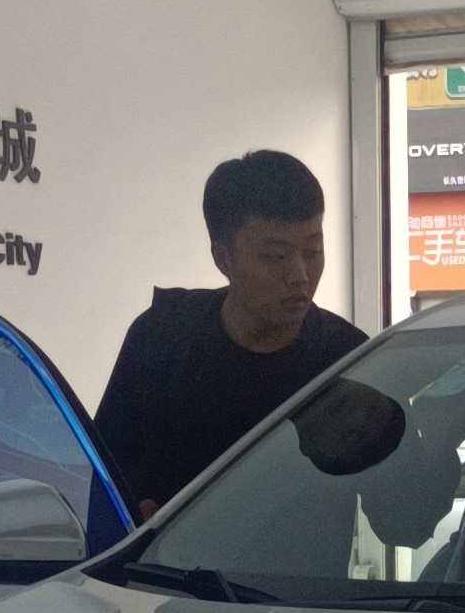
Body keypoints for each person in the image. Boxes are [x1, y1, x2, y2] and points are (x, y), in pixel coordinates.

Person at [94, 149, 364, 519]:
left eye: (313, 251)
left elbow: (404, 524)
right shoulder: (160, 340)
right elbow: (104, 479)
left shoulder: (348, 360)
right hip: (167, 559)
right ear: (223, 259)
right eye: (276, 257)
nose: (300, 276)